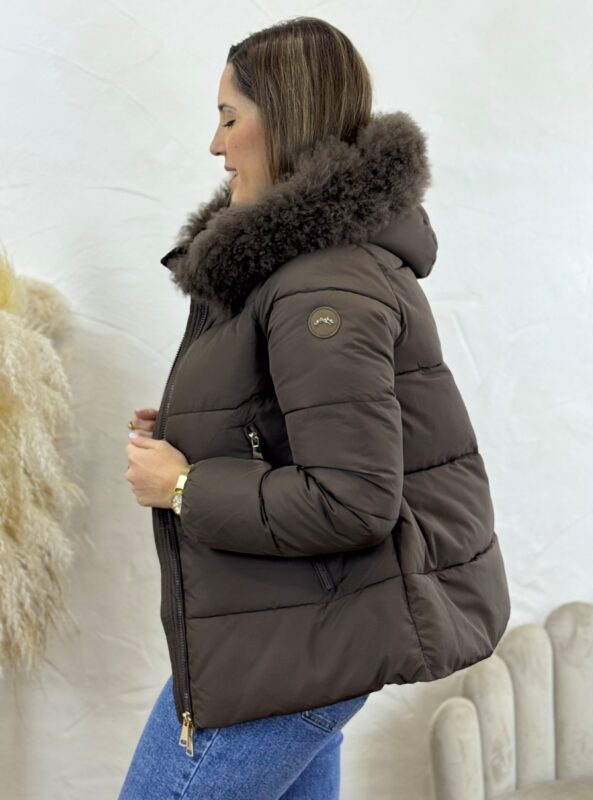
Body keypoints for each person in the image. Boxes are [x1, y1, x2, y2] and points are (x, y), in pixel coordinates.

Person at [119, 16, 511, 800]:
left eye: (229, 117)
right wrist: (197, 435)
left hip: (289, 646)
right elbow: (308, 429)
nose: (215, 144)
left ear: (284, 119)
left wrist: (184, 486)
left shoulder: (321, 284)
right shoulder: (305, 266)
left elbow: (353, 498)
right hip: (294, 632)